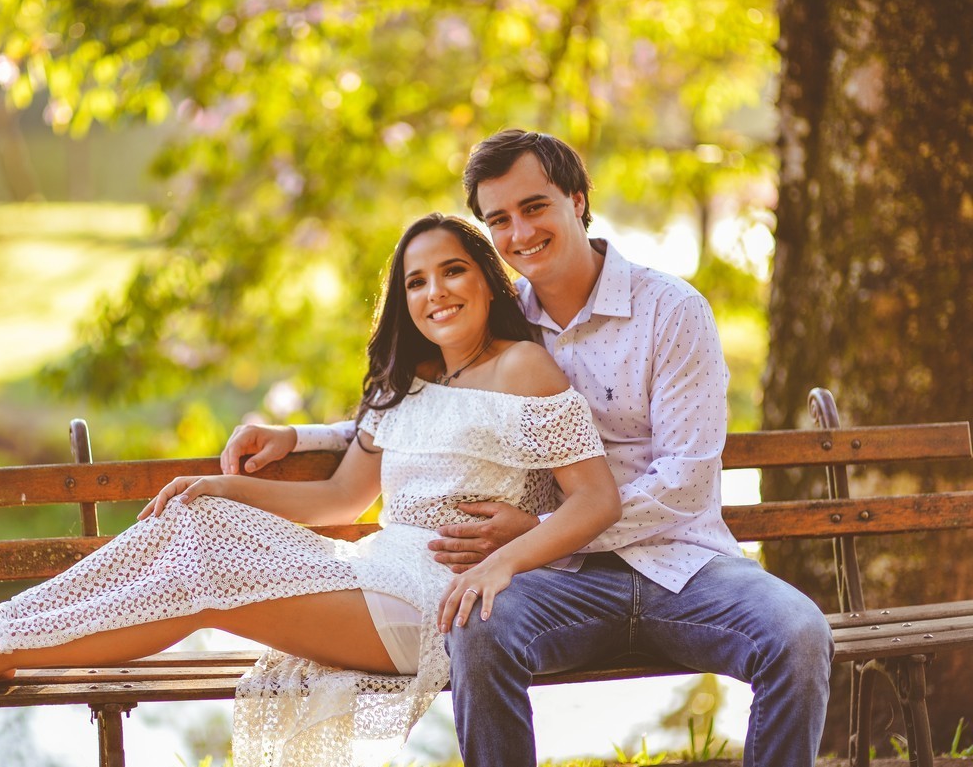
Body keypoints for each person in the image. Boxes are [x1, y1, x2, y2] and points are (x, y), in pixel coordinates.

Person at [0, 212, 621, 767]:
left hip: (442, 603)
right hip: (376, 573)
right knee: (195, 523)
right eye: (416, 281)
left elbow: (596, 499)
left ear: (488, 279)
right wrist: (219, 488)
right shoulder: (404, 386)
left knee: (209, 578)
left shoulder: (524, 369)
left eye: (453, 271)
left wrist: (510, 552)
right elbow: (338, 502)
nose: (436, 293)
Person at [221, 130, 833, 766]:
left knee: (797, 633)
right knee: (476, 628)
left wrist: (537, 531)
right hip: (554, 581)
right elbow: (435, 413)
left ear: (578, 200)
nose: (519, 233)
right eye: (499, 219)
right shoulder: (499, 311)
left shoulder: (670, 310)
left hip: (681, 567)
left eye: (535, 207)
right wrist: (303, 437)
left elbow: (685, 480)